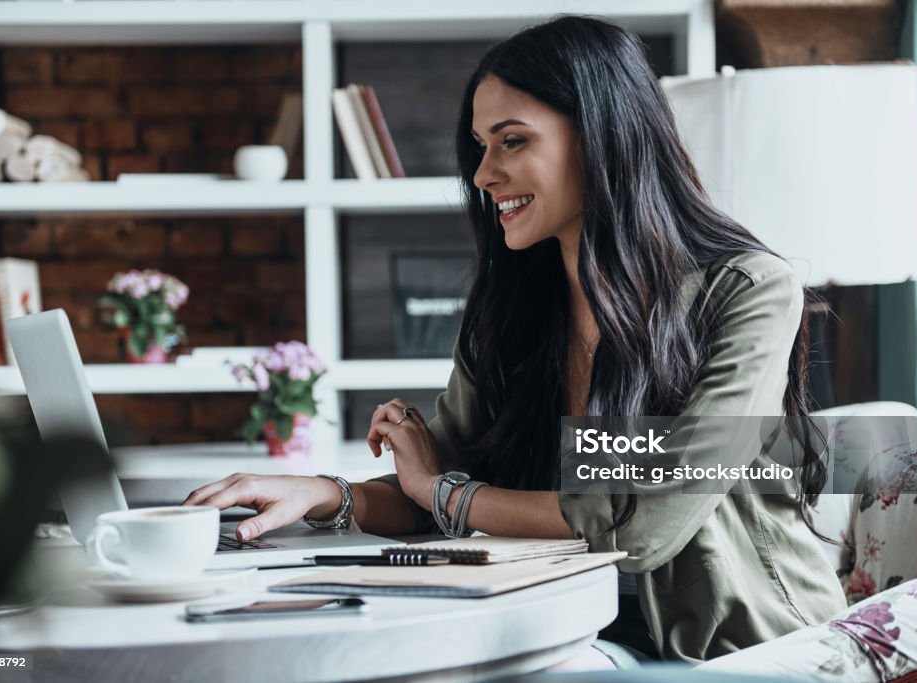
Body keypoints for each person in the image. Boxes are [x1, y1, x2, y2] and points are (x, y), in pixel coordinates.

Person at [184, 15, 847, 664]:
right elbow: (433, 486)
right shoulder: (515, 309)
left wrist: (443, 491)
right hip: (571, 631)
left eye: (511, 141)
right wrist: (321, 492)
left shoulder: (748, 291)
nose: (482, 174)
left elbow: (646, 524)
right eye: (481, 145)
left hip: (742, 652)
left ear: (599, 137)